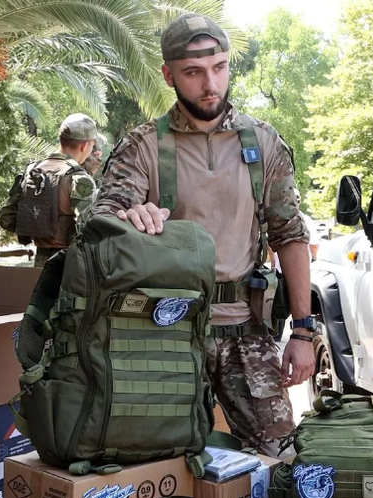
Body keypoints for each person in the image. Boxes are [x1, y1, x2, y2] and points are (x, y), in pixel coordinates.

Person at [89, 13, 315, 456]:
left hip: (246, 331)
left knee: (279, 455)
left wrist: (303, 334)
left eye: (220, 68)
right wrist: (130, 216)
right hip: (162, 329)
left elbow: (290, 237)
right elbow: (98, 225)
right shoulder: (143, 146)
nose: (210, 84)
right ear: (169, 74)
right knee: (157, 458)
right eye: (193, 72)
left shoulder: (264, 143)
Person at [0, 113, 97, 267]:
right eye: (92, 145)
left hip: (40, 259)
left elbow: (6, 217)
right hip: (70, 263)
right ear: (84, 146)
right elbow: (88, 228)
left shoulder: (32, 170)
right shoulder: (79, 179)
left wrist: (36, 231)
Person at [269, 188, 319, 339]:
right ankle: (281, 332)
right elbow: (314, 245)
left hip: (295, 269)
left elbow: (314, 244)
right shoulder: (302, 218)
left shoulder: (303, 219)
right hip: (288, 269)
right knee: (282, 303)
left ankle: (293, 333)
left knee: (287, 303)